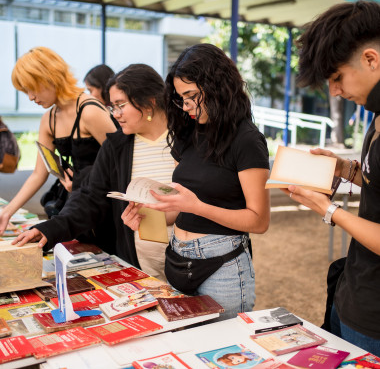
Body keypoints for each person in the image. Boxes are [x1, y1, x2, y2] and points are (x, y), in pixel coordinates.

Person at [126, 43, 270, 320]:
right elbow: (180, 208)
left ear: (217, 86)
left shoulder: (246, 139)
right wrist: (145, 217)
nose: (186, 106)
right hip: (179, 259)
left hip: (223, 266)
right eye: (180, 98)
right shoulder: (189, 132)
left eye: (191, 96)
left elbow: (259, 221)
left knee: (223, 354)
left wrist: (197, 206)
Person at [12, 64, 173, 281]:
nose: (115, 114)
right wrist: (49, 229)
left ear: (150, 101)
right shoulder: (116, 146)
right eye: (112, 107)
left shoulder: (188, 141)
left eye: (120, 105)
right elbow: (89, 198)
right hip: (142, 267)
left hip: (188, 265)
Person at [285, 0, 380, 354]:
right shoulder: (375, 113)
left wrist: (328, 209)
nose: (335, 92)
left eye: (337, 78)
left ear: (371, 59)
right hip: (353, 290)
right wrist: (346, 169)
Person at [0, 47, 116, 235]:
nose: (30, 97)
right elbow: (39, 174)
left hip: (106, 204)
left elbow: (122, 161)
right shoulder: (49, 119)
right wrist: (7, 212)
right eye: (25, 91)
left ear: (50, 77)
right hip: (78, 204)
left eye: (31, 88)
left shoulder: (90, 111)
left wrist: (82, 182)